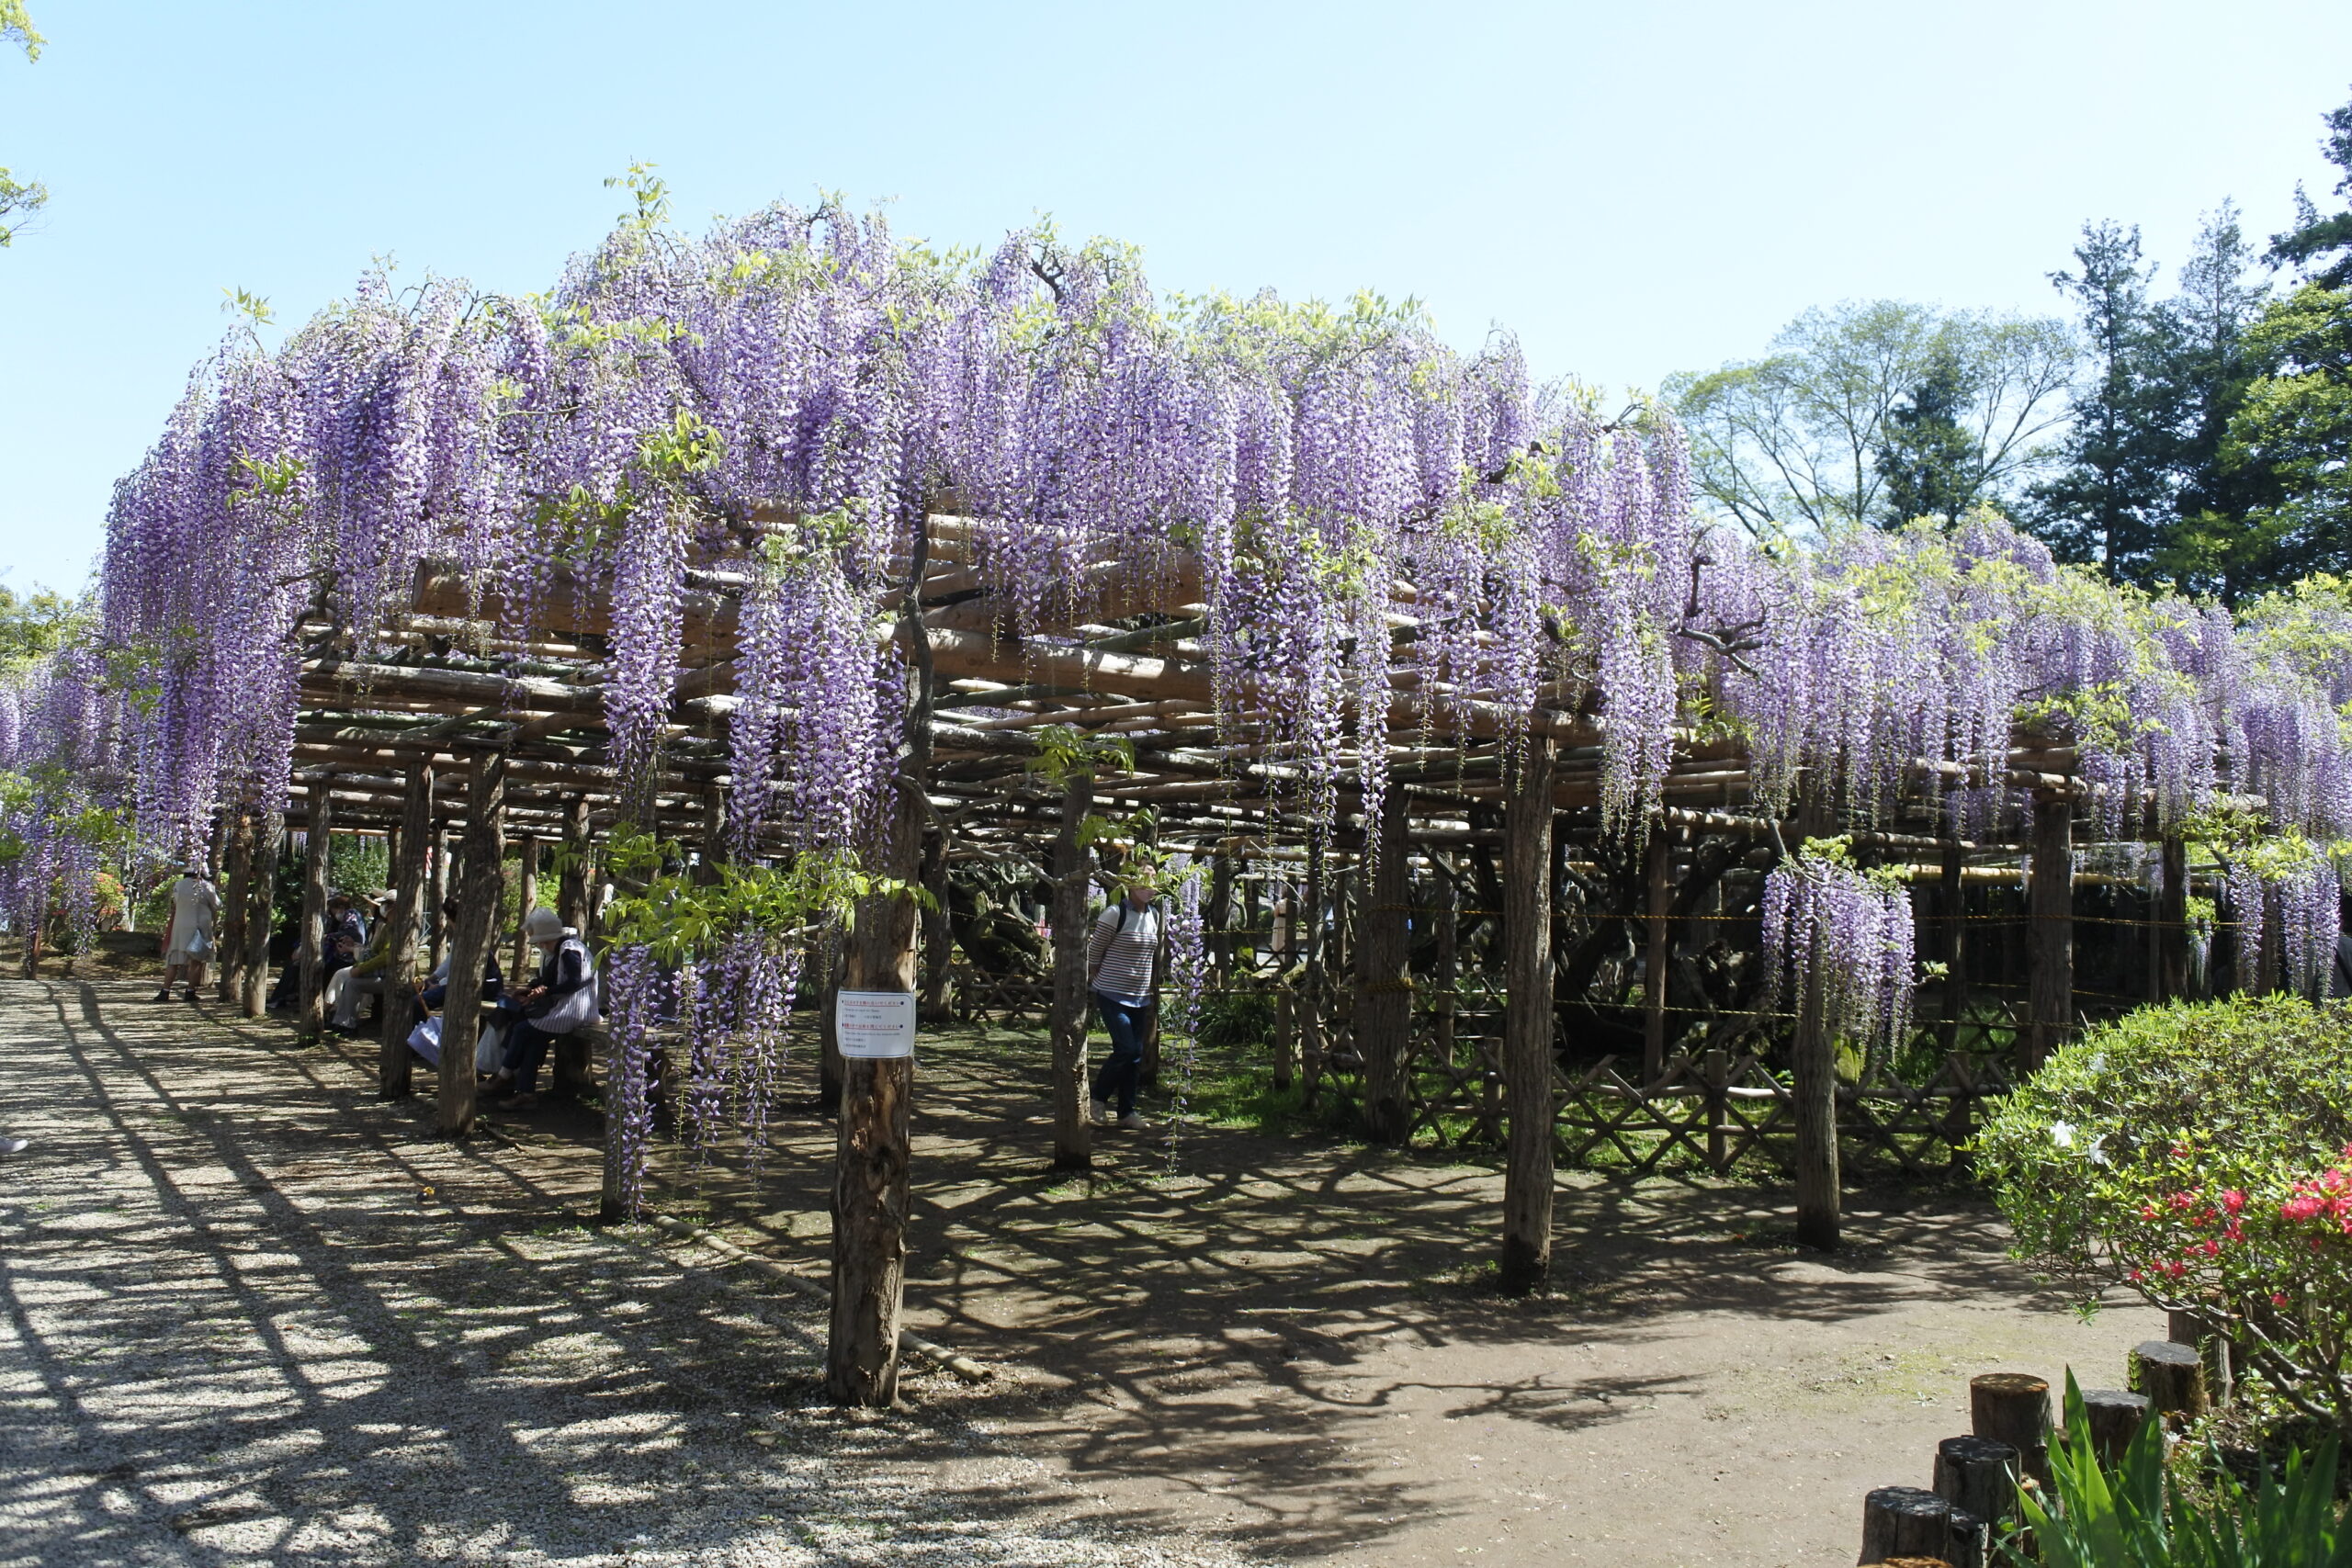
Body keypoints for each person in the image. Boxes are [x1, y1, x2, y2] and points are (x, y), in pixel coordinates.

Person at [483, 908, 596, 1111]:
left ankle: (503, 1075)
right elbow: (549, 981)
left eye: (541, 941)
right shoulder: (560, 950)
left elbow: (573, 982)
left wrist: (545, 991)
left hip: (576, 1009)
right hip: (566, 1007)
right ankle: (525, 1094)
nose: (541, 946)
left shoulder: (569, 950)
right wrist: (529, 991)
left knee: (522, 1030)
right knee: (532, 1043)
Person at [1085, 878, 1161, 1131]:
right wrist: (1095, 974)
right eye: (1143, 879)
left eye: (1153, 880)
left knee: (1136, 1055)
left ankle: (1127, 1112)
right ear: (1129, 883)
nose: (1148, 885)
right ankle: (1097, 1098)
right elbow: (1095, 950)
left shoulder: (1154, 915)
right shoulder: (1114, 913)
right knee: (1126, 1049)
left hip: (1139, 996)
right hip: (1111, 992)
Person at [267, 892, 359, 1011]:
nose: (330, 911)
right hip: (332, 956)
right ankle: (282, 998)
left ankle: (313, 1005)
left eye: (331, 907)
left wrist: (326, 937)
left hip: (344, 958)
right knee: (294, 966)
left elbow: (347, 934)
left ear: (340, 907)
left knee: (308, 968)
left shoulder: (350, 914)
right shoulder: (332, 919)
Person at [329, 890, 402, 1033]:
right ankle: (340, 1020)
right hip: (383, 973)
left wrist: (361, 969)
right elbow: (373, 952)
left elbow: (386, 956)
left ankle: (345, 1023)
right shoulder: (388, 926)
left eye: (385, 904)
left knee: (352, 983)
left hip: (394, 978)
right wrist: (357, 958)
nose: (382, 908)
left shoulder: (398, 928)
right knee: (347, 978)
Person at [153, 864, 221, 1004]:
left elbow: (177, 902)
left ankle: (165, 991)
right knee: (195, 960)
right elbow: (218, 905)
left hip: (179, 927)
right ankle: (190, 991)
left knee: (174, 960)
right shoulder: (206, 886)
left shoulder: (179, 885)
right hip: (199, 927)